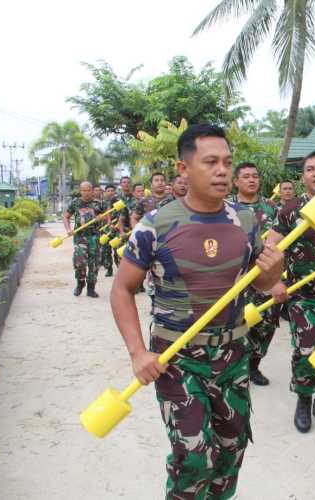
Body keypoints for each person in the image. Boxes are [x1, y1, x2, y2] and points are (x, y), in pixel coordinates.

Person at [111, 124, 284, 499]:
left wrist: (274, 271)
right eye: (211, 162)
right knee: (192, 456)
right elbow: (122, 289)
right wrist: (139, 353)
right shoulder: (155, 225)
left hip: (234, 354)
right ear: (184, 169)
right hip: (177, 358)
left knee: (231, 449)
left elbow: (261, 284)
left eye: (227, 162)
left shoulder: (247, 221)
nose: (222, 170)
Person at [268, 151, 315, 434]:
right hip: (303, 294)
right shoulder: (290, 209)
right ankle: (304, 399)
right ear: (303, 177)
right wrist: (275, 282)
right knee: (307, 348)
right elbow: (271, 248)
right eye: (310, 169)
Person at [234, 162, 281, 386]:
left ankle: (254, 365)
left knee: (265, 324)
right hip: (236, 279)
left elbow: (282, 244)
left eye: (255, 176)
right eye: (246, 176)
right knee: (236, 324)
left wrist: (278, 278)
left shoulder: (272, 207)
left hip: (265, 277)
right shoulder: (226, 208)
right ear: (236, 181)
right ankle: (236, 366)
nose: (252, 180)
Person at [64, 181, 105, 298]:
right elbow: (66, 216)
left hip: (94, 237)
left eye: (88, 190)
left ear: (92, 190)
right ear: (80, 191)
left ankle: (91, 288)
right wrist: (68, 229)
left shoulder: (99, 203)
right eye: (84, 190)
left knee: (94, 263)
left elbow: (107, 217)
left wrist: (101, 218)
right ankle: (80, 283)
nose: (86, 193)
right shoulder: (75, 203)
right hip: (80, 237)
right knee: (79, 262)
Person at [100, 184, 117, 277]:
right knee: (106, 250)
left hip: (116, 229)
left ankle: (120, 268)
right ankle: (109, 268)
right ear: (105, 192)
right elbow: (97, 215)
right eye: (108, 191)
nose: (110, 192)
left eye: (112, 190)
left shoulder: (119, 202)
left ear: (115, 192)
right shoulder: (101, 203)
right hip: (105, 230)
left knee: (117, 250)